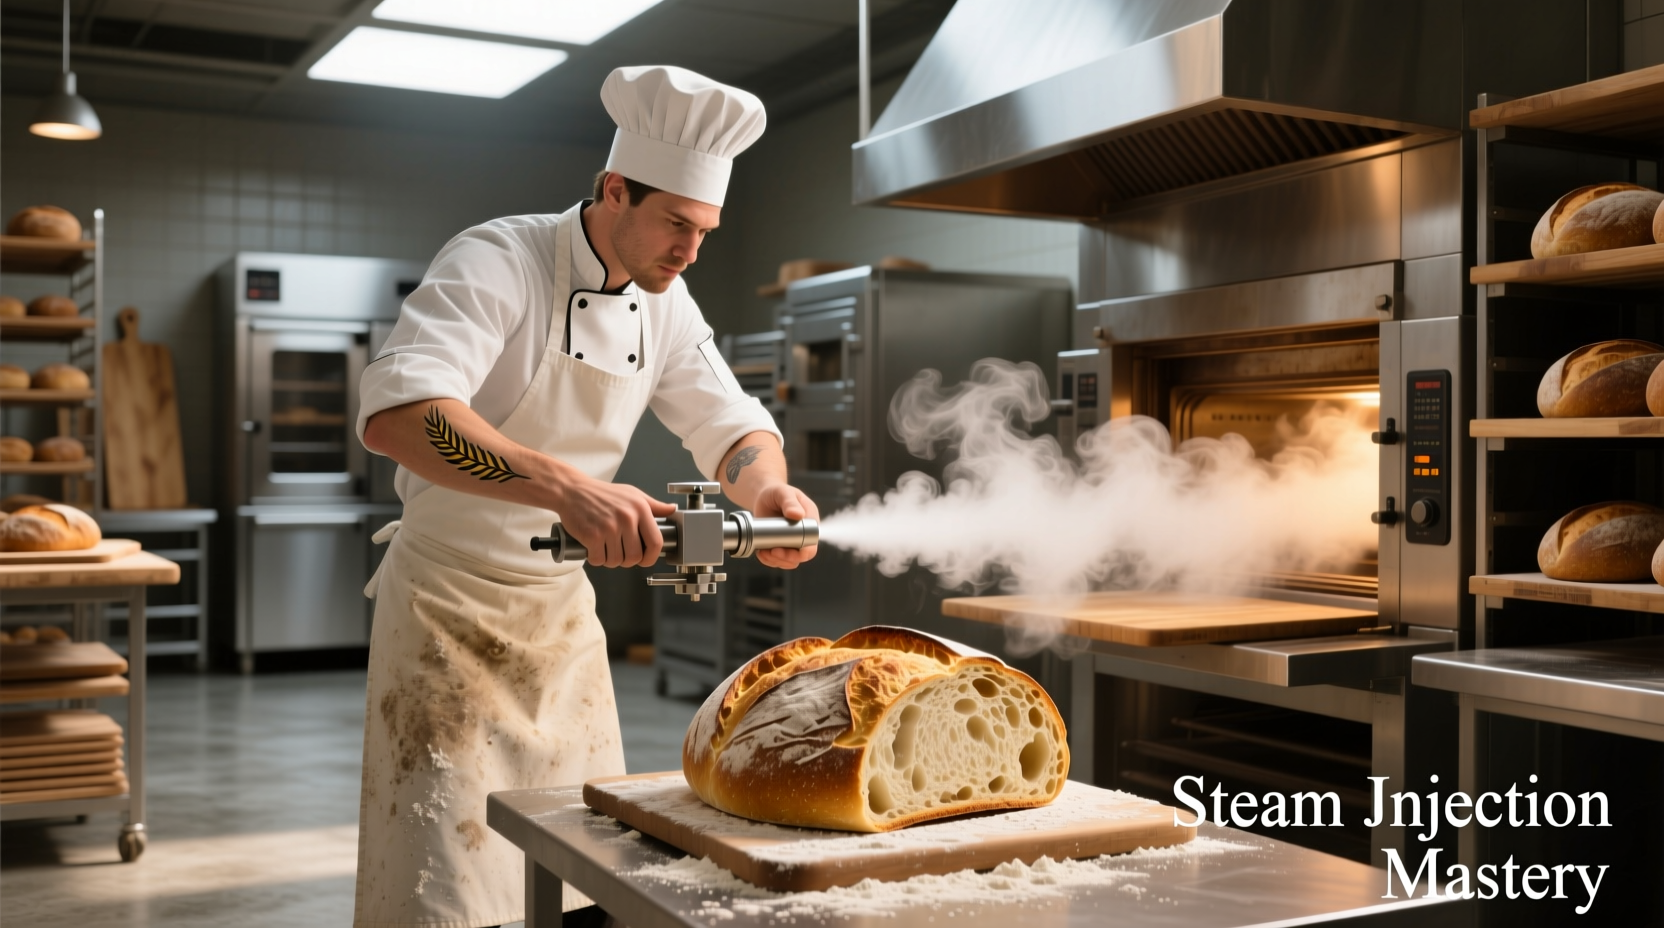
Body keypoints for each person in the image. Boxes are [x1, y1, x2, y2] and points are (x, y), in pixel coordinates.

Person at [350, 65, 818, 928]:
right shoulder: (500, 259)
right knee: (447, 882)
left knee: (587, 875)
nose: (690, 250)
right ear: (614, 189)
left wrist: (770, 491)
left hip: (561, 627)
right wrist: (570, 489)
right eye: (676, 223)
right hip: (446, 615)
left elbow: (729, 424)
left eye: (705, 230)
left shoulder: (664, 302)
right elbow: (398, 416)